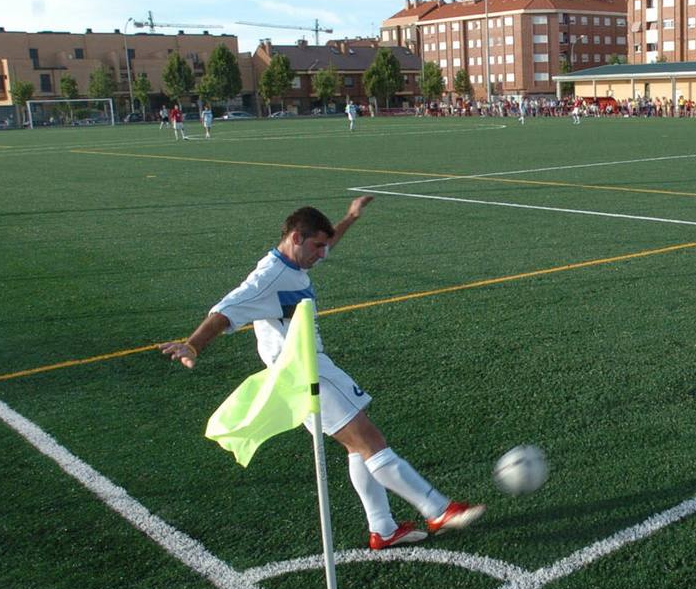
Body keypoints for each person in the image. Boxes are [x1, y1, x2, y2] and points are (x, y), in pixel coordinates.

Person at [159, 199, 486, 549]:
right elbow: (225, 311)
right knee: (371, 443)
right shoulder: (268, 278)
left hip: (305, 372)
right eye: (317, 246)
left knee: (357, 446)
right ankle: (438, 509)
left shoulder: (291, 265)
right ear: (297, 238)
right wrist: (192, 346)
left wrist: (350, 218)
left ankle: (384, 529)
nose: (323, 254)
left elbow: (323, 245)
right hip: (306, 372)